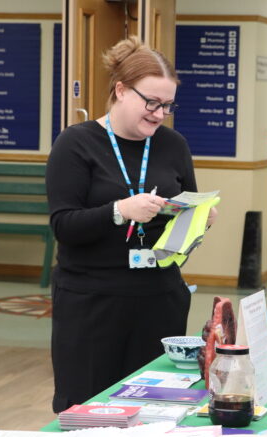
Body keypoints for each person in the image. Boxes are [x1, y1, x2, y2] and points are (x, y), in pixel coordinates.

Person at [46, 36, 217, 413]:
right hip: (92, 303)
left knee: (156, 411)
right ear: (121, 90)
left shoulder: (173, 145)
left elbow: (184, 216)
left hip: (159, 298)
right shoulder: (76, 144)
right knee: (89, 412)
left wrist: (199, 221)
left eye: (167, 105)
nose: (159, 113)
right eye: (151, 102)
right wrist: (120, 210)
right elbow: (64, 226)